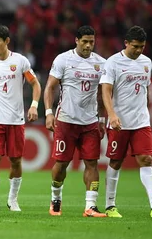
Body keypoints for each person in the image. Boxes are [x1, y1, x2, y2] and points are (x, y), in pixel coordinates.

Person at [99, 25, 152, 218]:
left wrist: (145, 111)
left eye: (142, 46)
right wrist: (112, 115)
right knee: (115, 161)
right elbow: (106, 90)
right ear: (126, 43)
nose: (139, 50)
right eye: (135, 46)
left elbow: (144, 91)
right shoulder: (113, 62)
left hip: (141, 121)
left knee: (146, 160)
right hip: (119, 122)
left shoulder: (147, 62)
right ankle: (109, 206)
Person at [44, 26, 107, 217]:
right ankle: (56, 199)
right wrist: (48, 112)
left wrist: (102, 120)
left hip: (90, 122)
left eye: (92, 42)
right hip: (66, 121)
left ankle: (91, 206)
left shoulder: (102, 64)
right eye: (85, 41)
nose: (88, 45)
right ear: (76, 40)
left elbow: (103, 94)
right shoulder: (63, 60)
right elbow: (50, 88)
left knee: (92, 163)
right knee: (61, 165)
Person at [0, 25, 41, 212]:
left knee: (15, 161)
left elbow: (35, 84)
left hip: (15, 120)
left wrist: (34, 105)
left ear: (7, 41)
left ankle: (12, 199)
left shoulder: (20, 62)